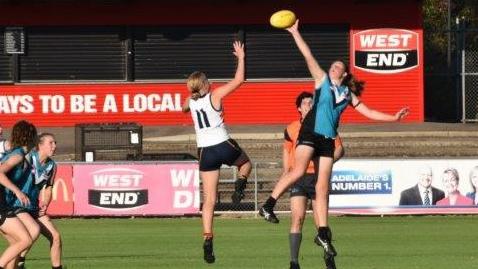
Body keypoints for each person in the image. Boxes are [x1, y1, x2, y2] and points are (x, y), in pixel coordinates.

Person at [259, 19, 409, 267]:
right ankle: (268, 205)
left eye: (338, 66)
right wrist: (295, 32)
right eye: (333, 65)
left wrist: (394, 116)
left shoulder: (348, 94)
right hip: (311, 132)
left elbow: (369, 112)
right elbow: (307, 55)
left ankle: (323, 232)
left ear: (345, 73)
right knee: (297, 170)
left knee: (322, 187)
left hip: (328, 139)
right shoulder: (322, 81)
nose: (334, 67)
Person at [182, 40, 251, 264]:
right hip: (222, 143)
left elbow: (184, 106)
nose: (210, 82)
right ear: (204, 85)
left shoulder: (190, 103)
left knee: (209, 199)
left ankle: (208, 237)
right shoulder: (215, 95)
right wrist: (241, 57)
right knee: (246, 163)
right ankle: (240, 186)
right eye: (207, 80)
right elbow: (239, 80)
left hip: (205, 151)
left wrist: (191, 96)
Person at [284, 92, 344, 269]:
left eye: (312, 102)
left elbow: (340, 150)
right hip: (299, 178)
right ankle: (294, 262)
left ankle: (328, 257)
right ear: (299, 108)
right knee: (297, 218)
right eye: (305, 103)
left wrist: (324, 161)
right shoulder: (291, 129)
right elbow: (287, 155)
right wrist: (287, 174)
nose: (309, 105)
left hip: (318, 178)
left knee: (321, 223)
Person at [13, 133, 63, 269]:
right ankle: (18, 262)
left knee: (56, 237)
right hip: (17, 205)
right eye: (51, 143)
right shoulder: (28, 158)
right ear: (40, 145)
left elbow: (48, 187)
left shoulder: (52, 165)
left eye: (55, 143)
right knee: (31, 234)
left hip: (34, 207)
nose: (55, 146)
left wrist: (45, 203)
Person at [0, 120, 36, 269]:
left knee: (16, 244)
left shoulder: (18, 154)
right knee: (25, 240)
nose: (37, 139)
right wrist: (17, 191)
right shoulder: (18, 155)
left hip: (4, 203)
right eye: (35, 135)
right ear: (29, 137)